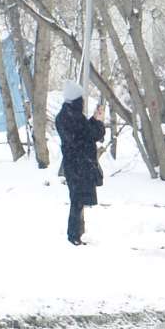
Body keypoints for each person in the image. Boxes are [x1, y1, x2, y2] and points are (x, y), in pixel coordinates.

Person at [54, 82, 106, 246]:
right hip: (79, 165)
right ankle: (74, 235)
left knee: (77, 200)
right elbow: (89, 134)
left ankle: (77, 234)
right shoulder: (73, 117)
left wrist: (93, 120)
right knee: (77, 200)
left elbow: (84, 132)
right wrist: (97, 120)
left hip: (74, 165)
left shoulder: (66, 116)